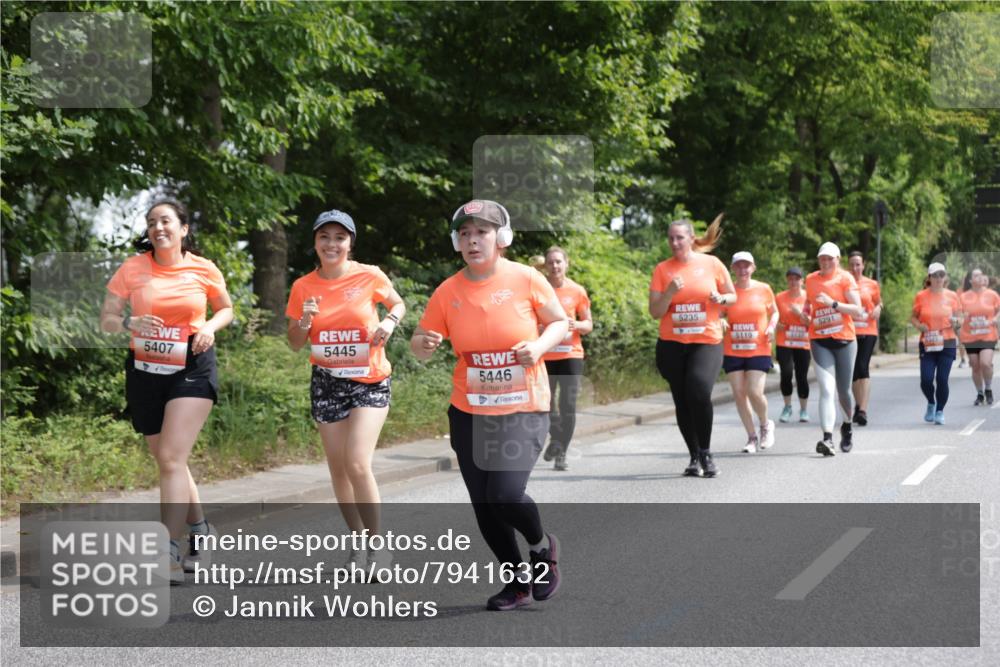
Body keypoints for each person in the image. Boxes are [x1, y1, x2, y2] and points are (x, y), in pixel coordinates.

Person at [410, 199, 568, 611]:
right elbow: (420, 342)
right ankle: (516, 583)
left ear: (502, 238)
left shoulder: (527, 278)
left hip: (523, 405)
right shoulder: (448, 291)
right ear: (456, 242)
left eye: (481, 231)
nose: (473, 239)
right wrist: (422, 343)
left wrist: (538, 346)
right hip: (469, 409)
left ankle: (540, 548)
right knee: (484, 505)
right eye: (465, 233)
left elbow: (559, 322)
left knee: (505, 494)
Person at [100, 198, 234, 583]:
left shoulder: (202, 268)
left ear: (183, 229)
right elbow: (106, 320)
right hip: (145, 369)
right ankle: (202, 531)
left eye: (166, 221)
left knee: (173, 459)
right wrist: (129, 323)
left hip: (191, 367)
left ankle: (168, 550)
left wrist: (209, 327)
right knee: (169, 461)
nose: (159, 227)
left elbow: (227, 309)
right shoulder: (132, 269)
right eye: (152, 221)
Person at [286, 209, 405, 573]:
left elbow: (398, 303)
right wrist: (305, 319)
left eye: (340, 237)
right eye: (325, 237)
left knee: (356, 461)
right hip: (327, 383)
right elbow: (294, 342)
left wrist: (389, 321)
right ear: (315, 243)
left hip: (368, 380)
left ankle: (378, 547)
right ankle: (357, 542)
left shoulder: (369, 275)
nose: (332, 243)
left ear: (350, 243)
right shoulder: (303, 286)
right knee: (338, 469)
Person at [648, 215, 736, 477]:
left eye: (679, 237)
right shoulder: (663, 270)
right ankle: (694, 455)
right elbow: (655, 311)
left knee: (698, 390)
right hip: (672, 344)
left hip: (705, 341)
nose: (675, 243)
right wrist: (669, 293)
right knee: (682, 400)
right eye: (671, 238)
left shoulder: (712, 264)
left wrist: (721, 298)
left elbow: (732, 296)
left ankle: (707, 453)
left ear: (690, 238)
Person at [798, 242, 865, 456]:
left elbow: (857, 310)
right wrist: (806, 314)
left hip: (845, 340)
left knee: (844, 390)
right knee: (826, 389)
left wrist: (833, 304)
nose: (826, 262)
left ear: (837, 259)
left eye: (830, 258)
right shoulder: (810, 279)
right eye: (822, 258)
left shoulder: (845, 278)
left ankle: (847, 425)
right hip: (819, 339)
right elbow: (810, 304)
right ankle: (827, 439)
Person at [540, 246, 592, 470]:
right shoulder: (540, 291)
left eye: (558, 262)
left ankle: (560, 451)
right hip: (546, 354)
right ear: (545, 265)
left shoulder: (577, 291)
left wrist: (575, 324)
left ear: (566, 264)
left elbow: (588, 324)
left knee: (567, 405)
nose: (555, 266)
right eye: (551, 262)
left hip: (571, 354)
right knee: (546, 404)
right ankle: (556, 439)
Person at [721, 252, 778, 453]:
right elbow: (718, 313)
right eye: (739, 266)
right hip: (733, 348)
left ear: (753, 268)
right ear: (733, 269)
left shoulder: (763, 289)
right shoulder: (728, 291)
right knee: (738, 393)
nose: (743, 270)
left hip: (758, 347)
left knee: (754, 391)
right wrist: (721, 320)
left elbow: (775, 312)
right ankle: (751, 437)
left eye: (747, 266)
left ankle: (765, 425)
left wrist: (771, 327)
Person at [911, 263, 963, 425]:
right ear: (929, 277)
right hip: (927, 342)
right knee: (926, 380)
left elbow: (960, 318)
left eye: (941, 275)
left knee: (942, 379)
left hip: (947, 341)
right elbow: (913, 317)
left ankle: (940, 410)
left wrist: (957, 323)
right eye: (935, 275)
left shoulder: (952, 296)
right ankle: (931, 402)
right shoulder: (921, 296)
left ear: (945, 277)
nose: (939, 278)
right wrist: (919, 326)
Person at [847, 251, 882, 426]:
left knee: (863, 366)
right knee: (853, 371)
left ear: (863, 265)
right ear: (848, 266)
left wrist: (878, 309)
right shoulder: (844, 283)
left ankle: (863, 410)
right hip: (850, 331)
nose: (855, 268)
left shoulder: (872, 284)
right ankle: (858, 404)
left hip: (868, 330)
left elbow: (878, 302)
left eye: (858, 264)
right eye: (852, 264)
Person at [775, 267, 812, 423]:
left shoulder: (809, 298)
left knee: (802, 377)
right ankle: (787, 407)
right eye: (790, 279)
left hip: (803, 343)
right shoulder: (779, 297)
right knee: (786, 373)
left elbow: (812, 322)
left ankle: (803, 410)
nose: (793, 282)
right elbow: (772, 316)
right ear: (787, 280)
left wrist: (799, 313)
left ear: (802, 281)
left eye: (796, 279)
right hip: (784, 342)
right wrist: (776, 324)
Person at [960, 268, 999, 405]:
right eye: (976, 275)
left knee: (985, 363)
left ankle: (988, 388)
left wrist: (996, 318)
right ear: (970, 280)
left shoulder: (992, 295)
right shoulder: (964, 297)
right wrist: (959, 319)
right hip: (970, 336)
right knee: (975, 365)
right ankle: (980, 393)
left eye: (981, 275)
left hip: (988, 334)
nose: (980, 277)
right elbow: (958, 314)